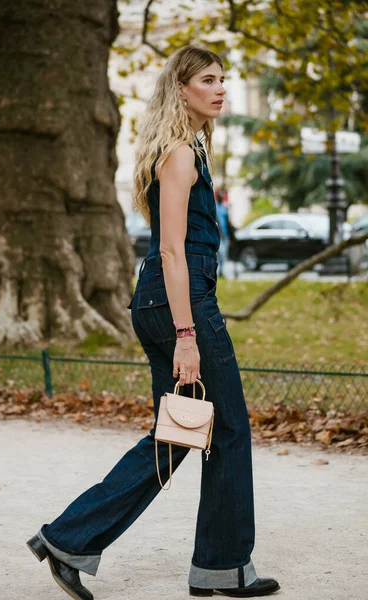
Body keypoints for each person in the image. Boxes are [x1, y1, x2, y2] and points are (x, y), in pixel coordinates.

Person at [26, 45, 280, 599]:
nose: (219, 89)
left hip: (162, 301)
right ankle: (226, 567)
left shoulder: (186, 150)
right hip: (178, 302)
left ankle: (69, 538)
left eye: (222, 80)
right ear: (181, 89)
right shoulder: (181, 155)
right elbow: (170, 251)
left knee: (179, 435)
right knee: (229, 430)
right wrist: (188, 336)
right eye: (207, 80)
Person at [215, 189, 230, 277]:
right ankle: (217, 271)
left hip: (225, 235)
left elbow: (227, 222)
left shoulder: (224, 208)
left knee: (224, 255)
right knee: (219, 253)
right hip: (218, 235)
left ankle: (221, 271)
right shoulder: (215, 207)